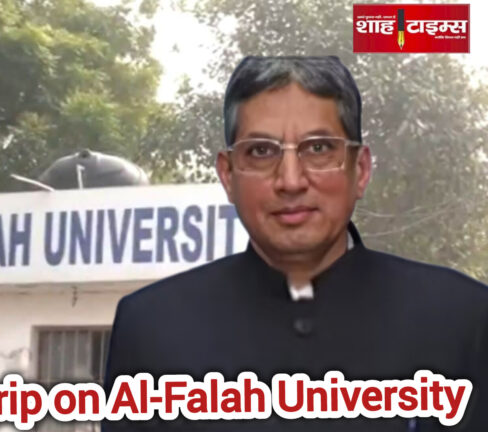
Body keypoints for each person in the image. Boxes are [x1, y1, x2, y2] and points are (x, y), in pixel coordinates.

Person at [102, 56, 488, 431]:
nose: (290, 180)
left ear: (361, 170)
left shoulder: (462, 319)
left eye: (319, 149)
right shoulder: (151, 325)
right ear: (228, 175)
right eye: (261, 151)